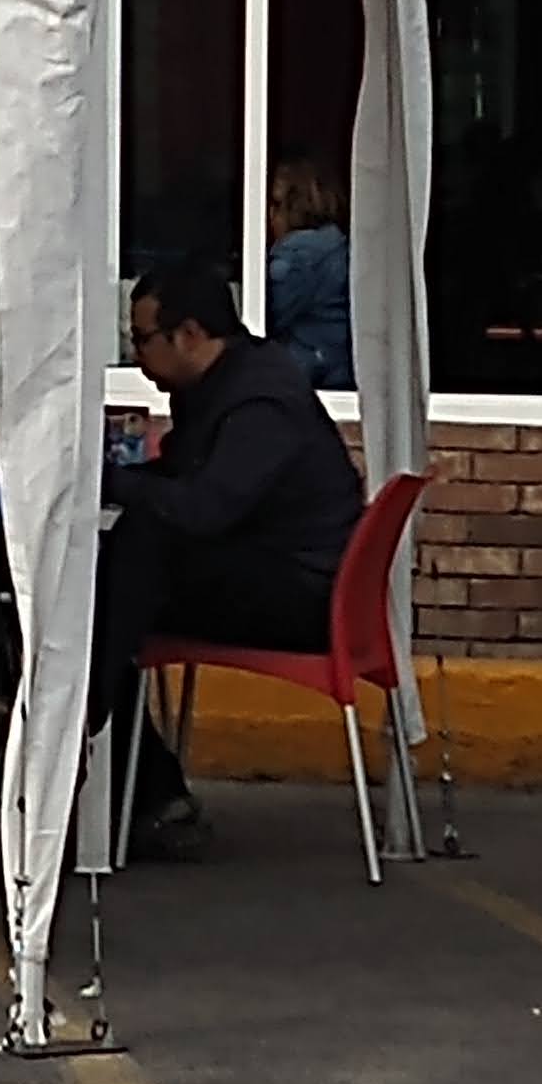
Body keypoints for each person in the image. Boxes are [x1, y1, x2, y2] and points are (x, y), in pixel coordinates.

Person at [89, 259, 367, 859]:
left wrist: (107, 483)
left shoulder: (259, 403)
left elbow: (203, 509)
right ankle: (138, 782)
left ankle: (83, 725)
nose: (137, 357)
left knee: (128, 567)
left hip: (298, 593)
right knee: (110, 584)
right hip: (266, 566)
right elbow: (185, 480)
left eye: (142, 340)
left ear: (188, 335)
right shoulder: (222, 385)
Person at [264, 157, 354, 389]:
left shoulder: (294, 257)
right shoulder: (339, 246)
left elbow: (264, 318)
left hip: (308, 371)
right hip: (340, 368)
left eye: (273, 203)